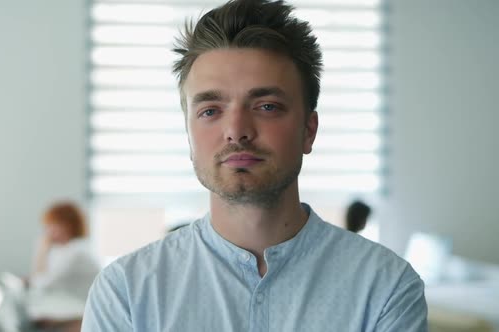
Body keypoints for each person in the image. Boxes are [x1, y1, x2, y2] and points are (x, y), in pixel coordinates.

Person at [82, 0, 427, 331]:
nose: (236, 131)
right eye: (210, 111)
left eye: (266, 106)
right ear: (189, 137)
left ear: (309, 130)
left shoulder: (386, 287)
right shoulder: (125, 292)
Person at [29, 201, 100, 331]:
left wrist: (42, 250)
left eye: (50, 226)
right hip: (77, 311)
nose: (47, 231)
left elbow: (42, 285)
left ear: (66, 226)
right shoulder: (65, 250)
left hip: (83, 317)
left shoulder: (76, 252)